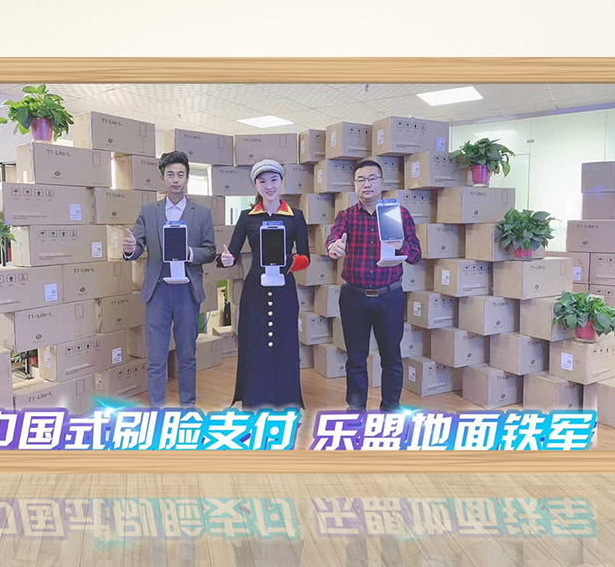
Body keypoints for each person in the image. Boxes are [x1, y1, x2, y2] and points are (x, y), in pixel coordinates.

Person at [325, 159, 422, 411]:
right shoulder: (346, 216)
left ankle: (390, 408)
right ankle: (356, 409)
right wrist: (334, 245)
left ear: (382, 182)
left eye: (371, 178)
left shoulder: (398, 215)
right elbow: (334, 237)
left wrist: (400, 244)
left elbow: (415, 255)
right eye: (361, 180)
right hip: (353, 297)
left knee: (391, 357)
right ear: (354, 185)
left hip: (389, 296)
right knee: (355, 357)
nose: (366, 184)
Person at [123, 151, 216, 407]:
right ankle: (157, 410)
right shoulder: (149, 212)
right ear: (162, 178)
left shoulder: (202, 214)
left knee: (187, 355)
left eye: (181, 175)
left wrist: (189, 253)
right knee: (156, 357)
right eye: (171, 174)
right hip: (158, 292)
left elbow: (210, 251)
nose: (176, 180)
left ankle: (188, 407)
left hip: (188, 292)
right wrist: (130, 248)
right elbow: (138, 246)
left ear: (187, 178)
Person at [218, 159, 310, 409]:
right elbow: (232, 252)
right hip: (255, 290)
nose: (269, 186)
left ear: (281, 182)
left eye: (273, 180)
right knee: (255, 343)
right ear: (256, 186)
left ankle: (287, 403)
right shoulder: (247, 217)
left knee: (285, 343)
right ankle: (254, 402)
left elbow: (305, 258)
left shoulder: (295, 217)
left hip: (284, 288)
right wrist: (226, 259)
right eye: (262, 181)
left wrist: (287, 262)